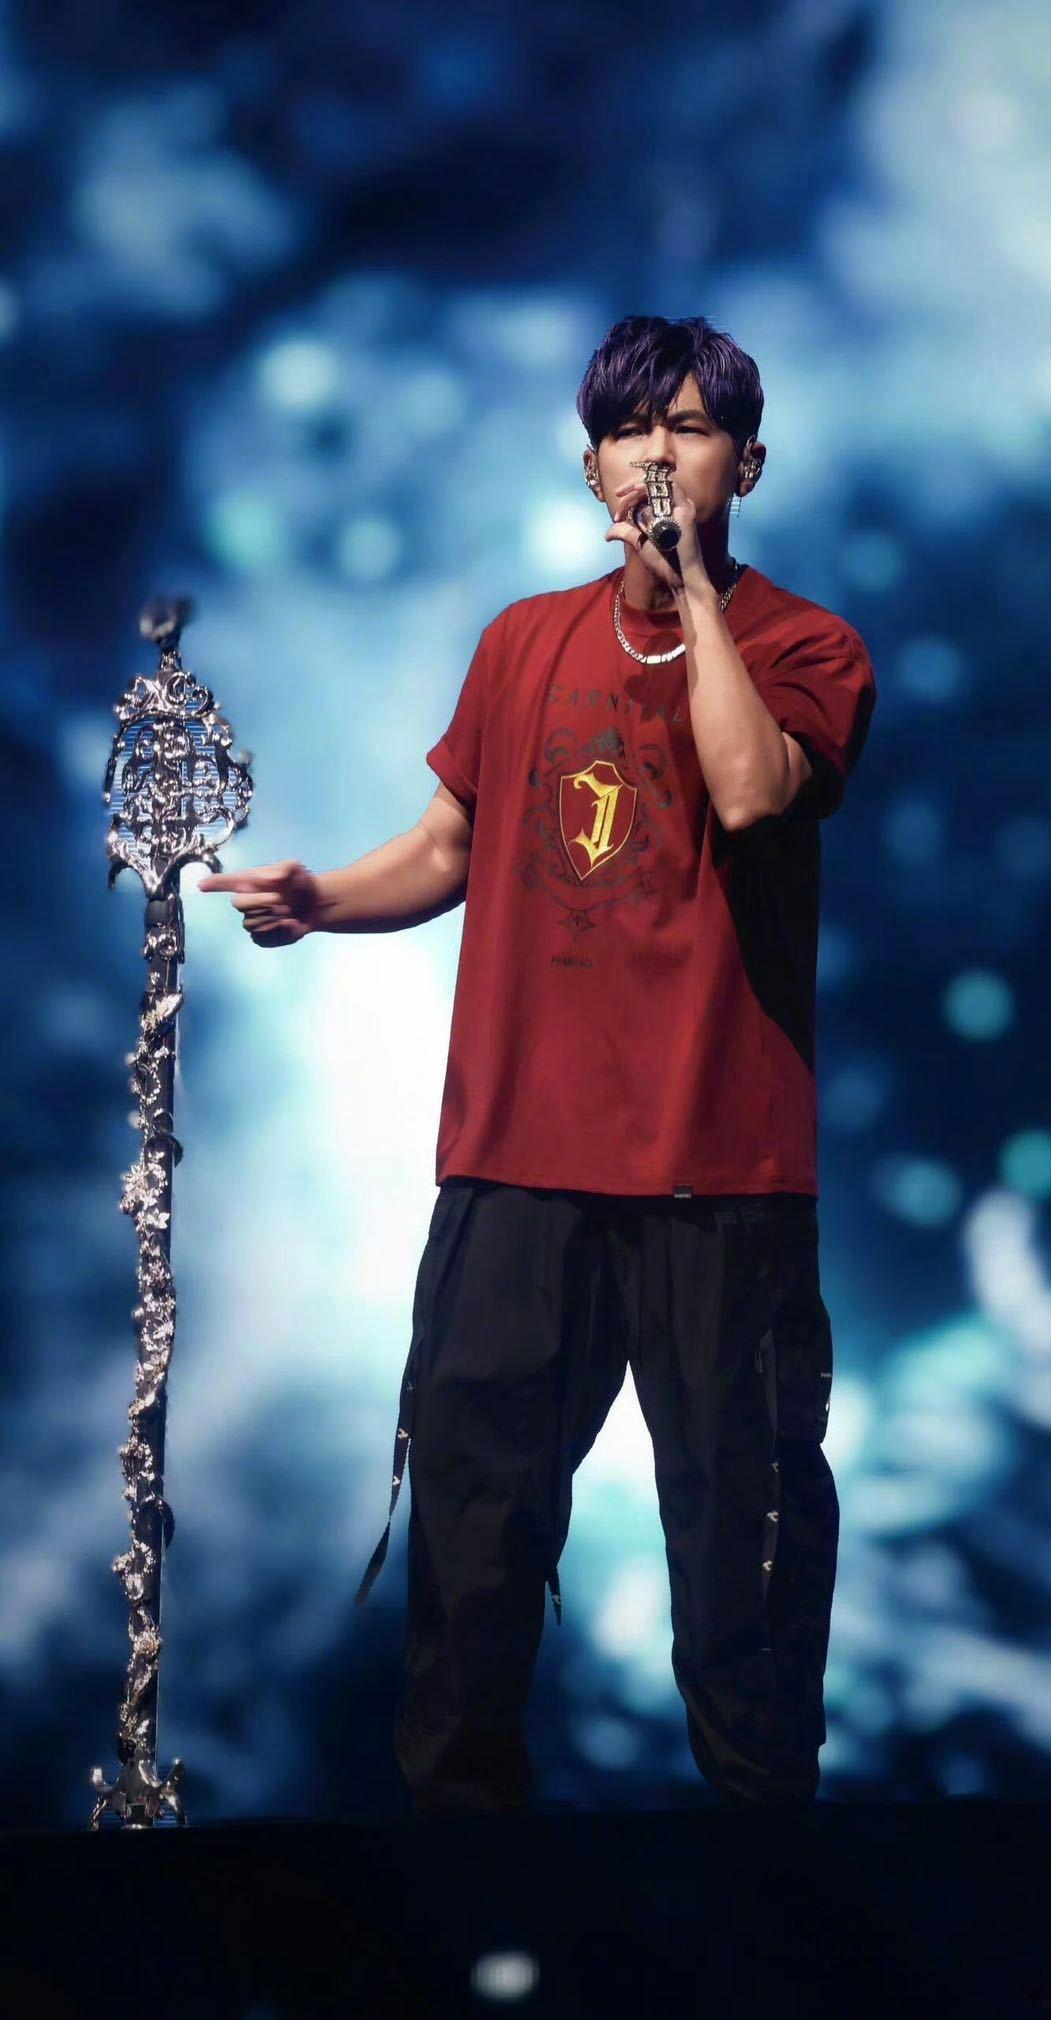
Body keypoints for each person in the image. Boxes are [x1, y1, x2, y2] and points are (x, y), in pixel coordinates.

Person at [198, 313, 876, 1814]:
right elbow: (452, 842)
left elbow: (751, 790)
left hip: (720, 1181)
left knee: (744, 1570)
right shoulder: (520, 642)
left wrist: (692, 595)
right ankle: (467, 1890)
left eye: (688, 428)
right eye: (629, 430)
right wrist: (324, 900)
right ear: (589, 468)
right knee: (473, 1552)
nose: (656, 455)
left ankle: (773, 1903)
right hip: (516, 1172)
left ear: (748, 463)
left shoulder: (806, 646)